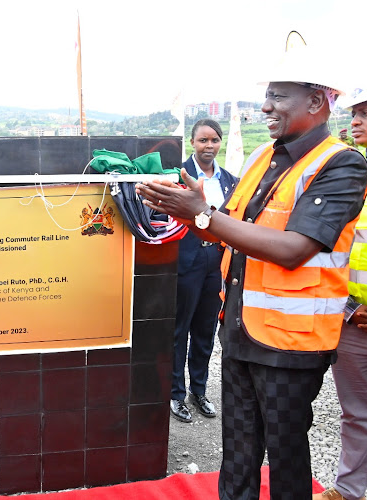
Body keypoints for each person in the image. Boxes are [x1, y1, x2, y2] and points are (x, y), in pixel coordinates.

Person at [136, 47, 367, 499]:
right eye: (267, 96)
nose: (265, 107)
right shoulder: (264, 156)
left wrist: (203, 215)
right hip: (241, 330)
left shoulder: (341, 164)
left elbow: (295, 249)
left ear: (317, 102)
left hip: (291, 343)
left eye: (278, 96)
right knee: (238, 452)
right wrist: (184, 212)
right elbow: (226, 230)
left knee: (285, 457)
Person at [313, 87, 367, 500]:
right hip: (356, 319)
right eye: (353, 113)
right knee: (358, 415)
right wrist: (351, 307)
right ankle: (348, 491)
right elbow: (329, 251)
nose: (354, 121)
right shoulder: (352, 175)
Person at [170, 119, 237, 423]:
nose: (209, 146)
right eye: (203, 141)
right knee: (179, 329)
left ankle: (199, 390)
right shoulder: (178, 176)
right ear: (192, 143)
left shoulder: (230, 180)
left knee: (205, 330)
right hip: (188, 260)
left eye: (214, 141)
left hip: (216, 261)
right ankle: (175, 394)